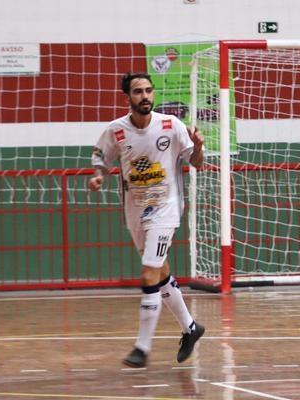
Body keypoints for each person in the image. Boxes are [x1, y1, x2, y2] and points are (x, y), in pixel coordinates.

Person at [89, 72, 205, 367]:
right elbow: (101, 157)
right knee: (161, 272)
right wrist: (99, 175)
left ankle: (142, 347)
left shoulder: (171, 125)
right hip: (136, 209)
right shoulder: (116, 130)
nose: (145, 96)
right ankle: (191, 328)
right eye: (138, 91)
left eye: (149, 90)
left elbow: (196, 162)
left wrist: (199, 146)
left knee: (149, 272)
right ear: (127, 98)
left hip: (166, 207)